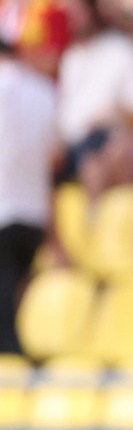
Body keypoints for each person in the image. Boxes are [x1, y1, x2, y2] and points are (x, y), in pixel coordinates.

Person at [0, 36, 55, 357]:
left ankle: (10, 352)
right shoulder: (43, 91)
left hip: (4, 205)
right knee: (17, 285)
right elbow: (56, 155)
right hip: (33, 208)